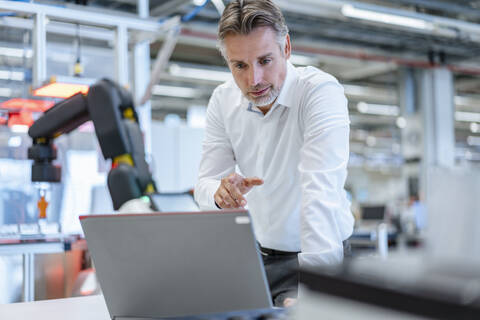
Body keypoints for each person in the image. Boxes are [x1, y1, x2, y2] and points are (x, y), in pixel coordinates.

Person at [194, 0, 354, 307]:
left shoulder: (319, 93)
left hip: (320, 257)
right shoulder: (222, 100)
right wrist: (220, 193)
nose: (253, 80)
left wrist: (314, 296)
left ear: (287, 48)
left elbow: (319, 192)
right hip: (258, 256)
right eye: (239, 65)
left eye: (265, 60)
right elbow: (204, 184)